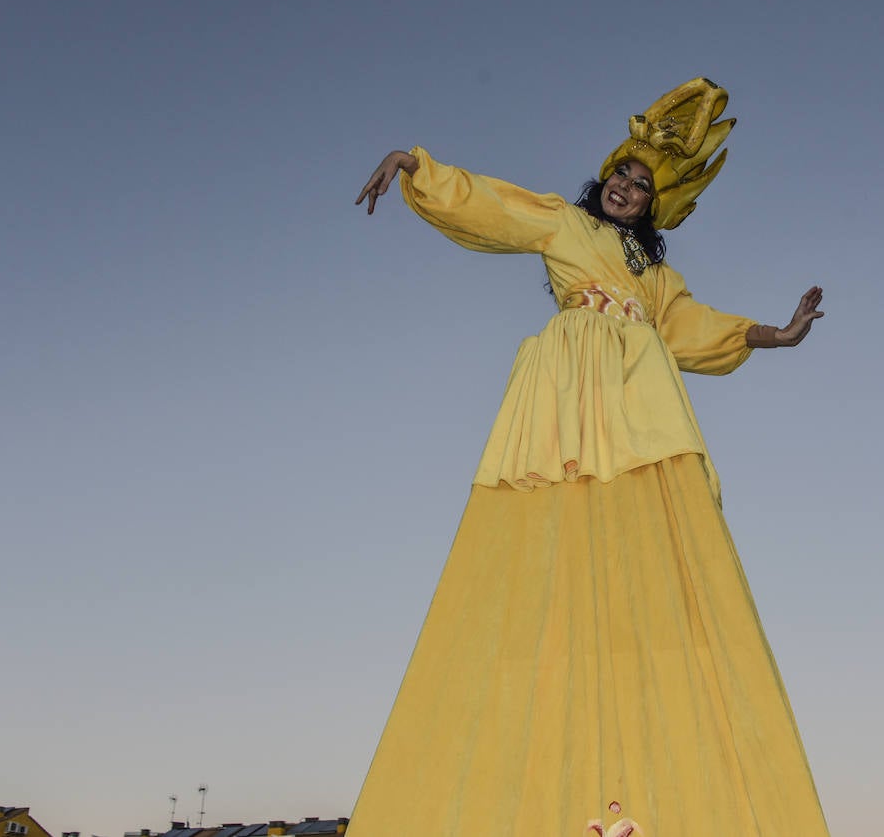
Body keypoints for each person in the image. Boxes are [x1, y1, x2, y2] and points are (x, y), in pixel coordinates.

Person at [349, 78, 830, 836]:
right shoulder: (565, 225)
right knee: (558, 510)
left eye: (641, 185)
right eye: (622, 172)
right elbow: (495, 205)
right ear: (605, 176)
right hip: (570, 390)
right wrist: (416, 165)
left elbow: (697, 329)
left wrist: (780, 332)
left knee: (642, 525)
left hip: (636, 405)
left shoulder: (659, 281)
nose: (627, 187)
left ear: (654, 206)